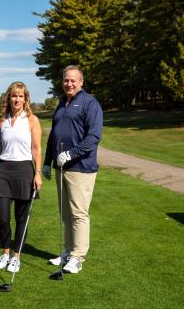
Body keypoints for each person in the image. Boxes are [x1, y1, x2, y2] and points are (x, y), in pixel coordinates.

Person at [42, 65, 103, 274]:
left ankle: (78, 257)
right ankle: (68, 252)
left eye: (73, 80)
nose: (69, 84)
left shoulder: (89, 103)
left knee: (79, 213)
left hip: (80, 168)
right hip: (60, 168)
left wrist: (71, 154)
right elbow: (54, 136)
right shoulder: (61, 103)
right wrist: (46, 162)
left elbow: (93, 137)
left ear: (81, 81)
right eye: (66, 80)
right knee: (66, 213)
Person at [0, 81, 42, 273]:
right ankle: (5, 253)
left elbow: (36, 149)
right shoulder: (2, 122)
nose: (17, 99)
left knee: (21, 218)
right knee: (3, 218)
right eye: (13, 95)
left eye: (20, 96)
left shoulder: (32, 120)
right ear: (8, 98)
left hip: (24, 171)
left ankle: (16, 257)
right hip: (3, 171)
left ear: (25, 99)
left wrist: (37, 173)